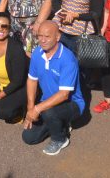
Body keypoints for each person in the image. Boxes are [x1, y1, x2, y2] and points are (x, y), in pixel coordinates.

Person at [22, 21, 85, 156]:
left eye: (47, 36)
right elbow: (32, 80)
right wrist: (30, 107)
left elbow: (64, 94)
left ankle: (60, 139)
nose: (42, 40)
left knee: (49, 112)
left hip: (72, 103)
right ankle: (60, 124)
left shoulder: (68, 59)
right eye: (40, 36)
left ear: (57, 37)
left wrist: (37, 109)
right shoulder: (37, 53)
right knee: (29, 137)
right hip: (48, 102)